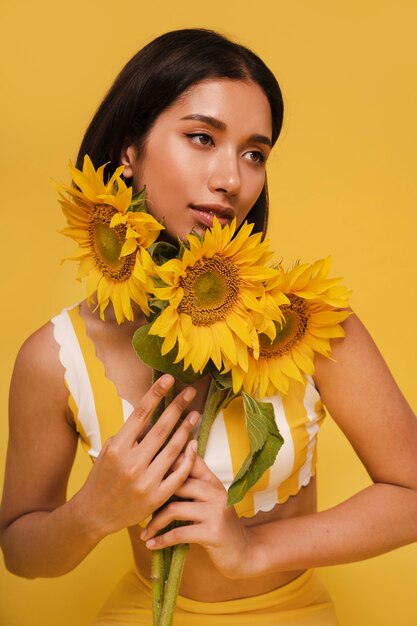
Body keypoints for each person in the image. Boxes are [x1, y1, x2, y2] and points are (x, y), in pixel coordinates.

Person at [1, 28, 417, 626]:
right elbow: (20, 551)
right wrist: (92, 511)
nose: (233, 178)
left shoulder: (306, 324)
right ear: (128, 149)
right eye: (202, 138)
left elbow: (410, 493)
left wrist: (254, 549)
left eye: (255, 153)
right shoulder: (53, 359)